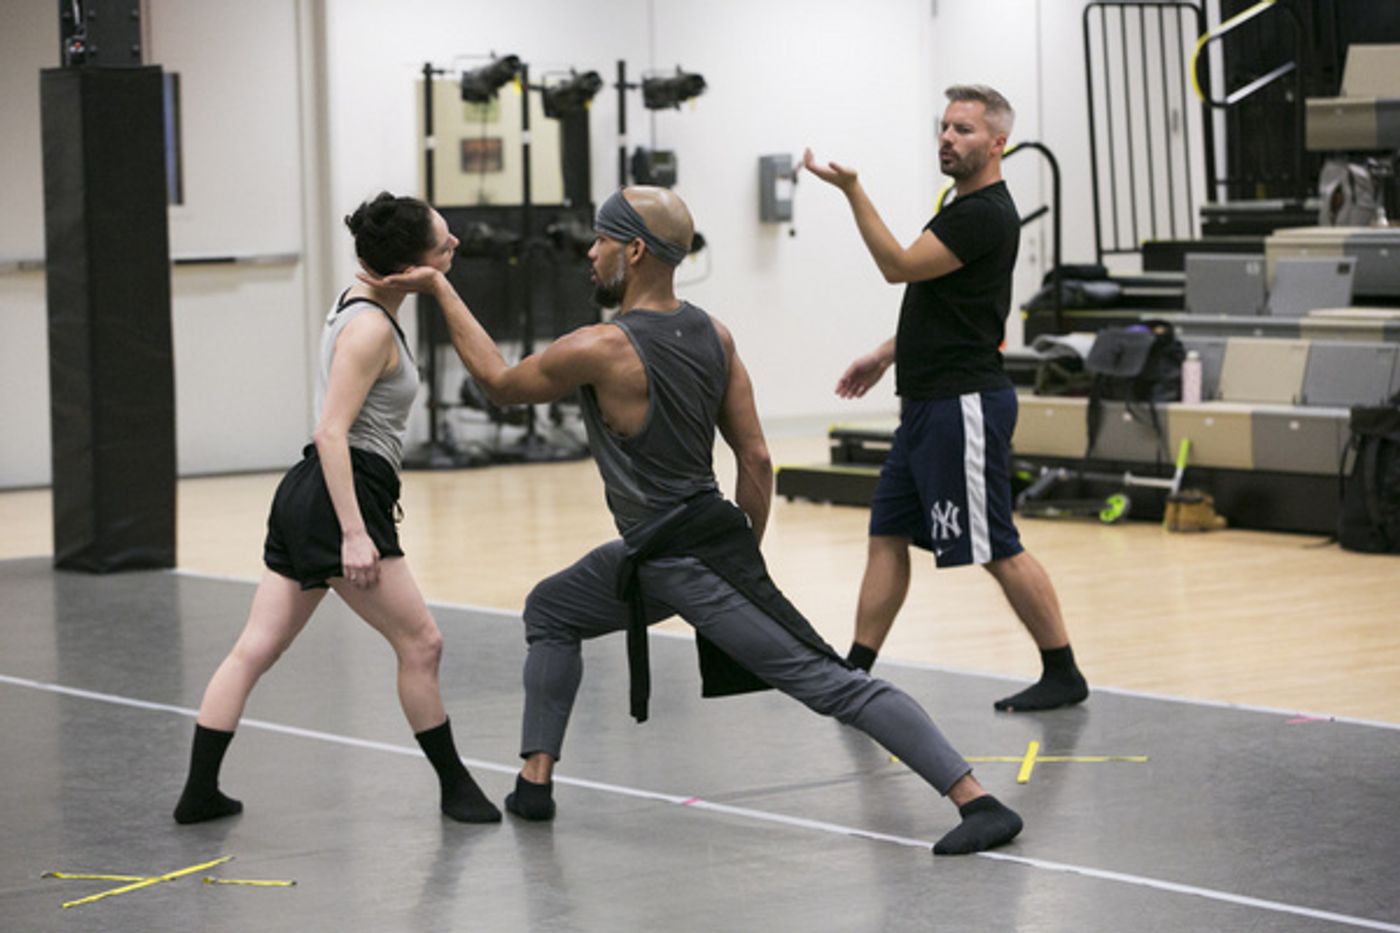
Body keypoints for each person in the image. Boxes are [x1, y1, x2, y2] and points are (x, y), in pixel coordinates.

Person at [361, 185, 1023, 855]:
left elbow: (498, 385)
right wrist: (745, 548)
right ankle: (534, 782)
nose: (590, 253)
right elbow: (757, 458)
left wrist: (440, 289)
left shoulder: (601, 346)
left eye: (601, 241)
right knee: (552, 608)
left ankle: (978, 800)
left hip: (686, 560)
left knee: (831, 682)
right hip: (670, 552)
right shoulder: (715, 333)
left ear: (637, 250)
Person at [172, 193, 500, 825]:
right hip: (338, 493)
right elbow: (331, 432)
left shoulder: (364, 303)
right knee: (422, 643)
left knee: (255, 647)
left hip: (311, 493)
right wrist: (354, 533)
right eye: (443, 242)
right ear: (409, 266)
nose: (454, 245)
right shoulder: (371, 327)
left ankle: (199, 792)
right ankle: (456, 788)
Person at [803, 84, 1089, 713]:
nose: (947, 138)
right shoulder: (959, 205)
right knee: (887, 534)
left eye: (963, 129)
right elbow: (940, 301)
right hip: (927, 403)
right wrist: (885, 353)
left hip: (964, 404)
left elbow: (899, 267)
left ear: (996, 143)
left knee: (994, 546)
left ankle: (1062, 670)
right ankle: (856, 670)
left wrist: (853, 190)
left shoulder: (984, 213)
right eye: (944, 127)